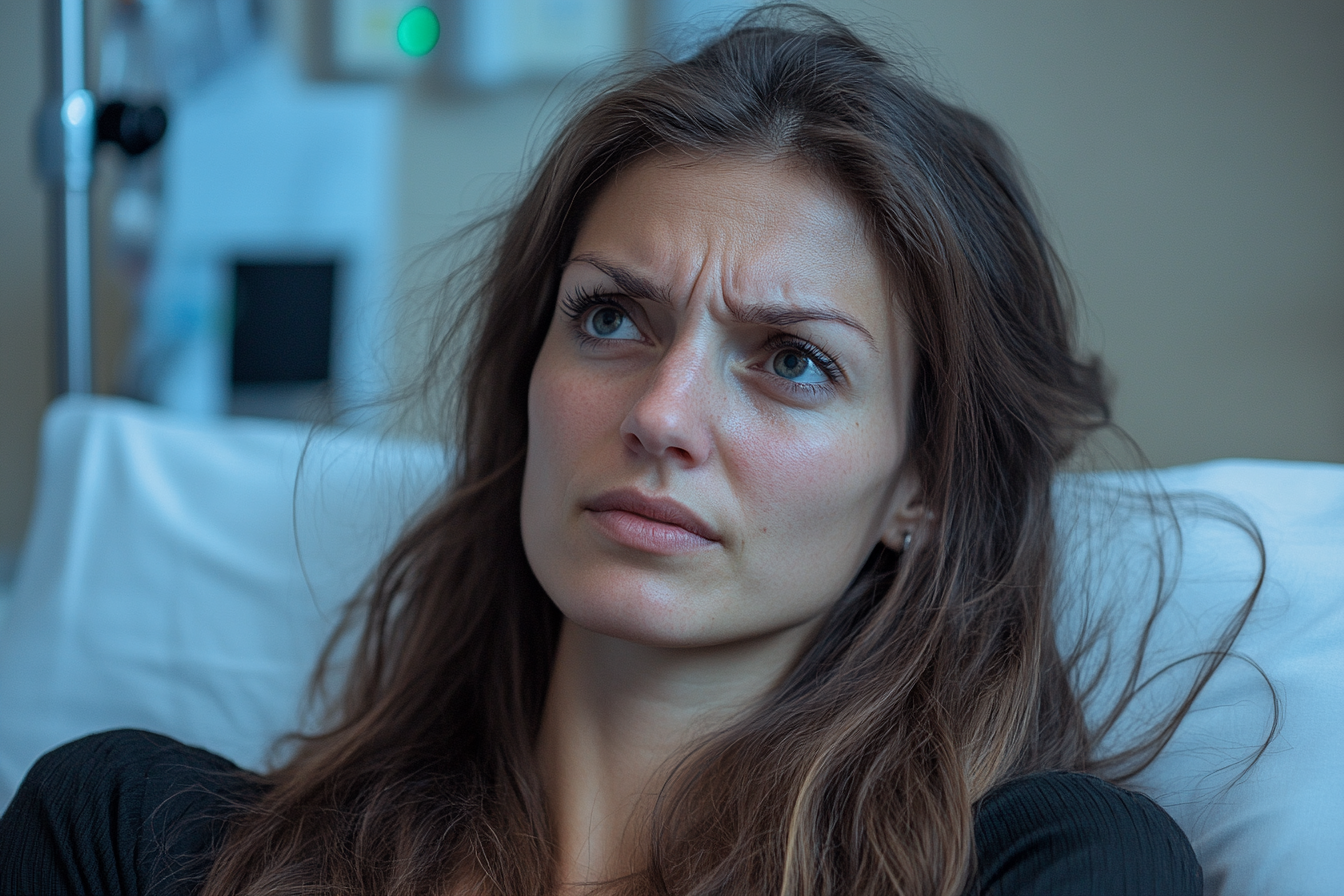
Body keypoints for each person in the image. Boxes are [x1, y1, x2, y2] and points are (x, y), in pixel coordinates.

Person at [1, 7, 1228, 895]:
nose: (661, 410)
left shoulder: (1052, 863)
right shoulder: (131, 836)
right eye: (611, 316)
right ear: (528, 376)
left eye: (793, 358)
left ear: (922, 485)